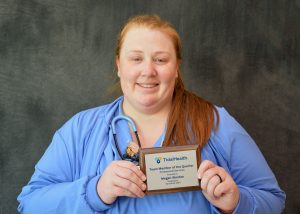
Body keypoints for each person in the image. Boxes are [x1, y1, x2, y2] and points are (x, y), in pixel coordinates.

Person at [17, 15, 286, 214]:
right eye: (136, 58)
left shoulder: (216, 123)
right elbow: (29, 203)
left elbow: (273, 200)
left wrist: (237, 203)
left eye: (160, 59)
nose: (148, 71)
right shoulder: (80, 129)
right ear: (119, 65)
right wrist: (95, 191)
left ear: (176, 67)